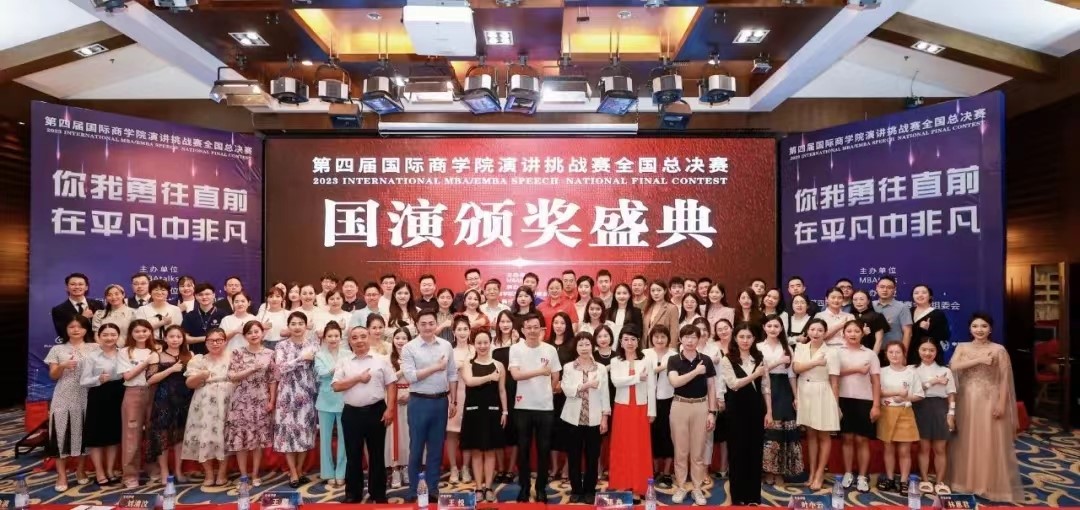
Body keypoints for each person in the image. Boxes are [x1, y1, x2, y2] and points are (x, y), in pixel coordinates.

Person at [947, 314, 1023, 503]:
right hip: (966, 400)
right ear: (969, 329)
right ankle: (967, 482)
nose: (979, 330)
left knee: (989, 441)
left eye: (984, 326)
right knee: (967, 440)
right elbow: (953, 366)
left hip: (990, 399)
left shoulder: (999, 350)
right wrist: (979, 360)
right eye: (975, 326)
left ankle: (989, 485)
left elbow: (1004, 379)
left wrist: (1001, 403)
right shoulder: (962, 347)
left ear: (990, 329)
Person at [332, 325, 398, 503]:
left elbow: (391, 384)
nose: (359, 340)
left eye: (363, 336)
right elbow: (336, 386)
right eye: (354, 337)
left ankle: (378, 493)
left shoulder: (381, 360)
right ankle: (353, 494)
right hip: (351, 413)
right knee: (353, 455)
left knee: (377, 454)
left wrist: (390, 409)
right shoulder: (344, 361)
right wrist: (358, 379)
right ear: (349, 341)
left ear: (369, 337)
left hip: (376, 411)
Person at [401, 309, 459, 501]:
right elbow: (411, 377)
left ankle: (433, 489)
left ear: (436, 324)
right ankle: (413, 490)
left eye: (431, 323)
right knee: (416, 448)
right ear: (417, 325)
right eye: (423, 324)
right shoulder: (409, 348)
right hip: (419, 402)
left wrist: (453, 400)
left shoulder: (446, 345)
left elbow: (452, 373)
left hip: (441, 402)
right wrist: (436, 367)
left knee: (436, 448)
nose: (427, 327)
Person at [509, 312, 562, 502]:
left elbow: (556, 374)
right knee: (523, 449)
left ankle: (541, 488)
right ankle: (524, 487)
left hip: (545, 407)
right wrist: (540, 372)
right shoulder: (516, 349)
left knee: (544, 449)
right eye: (528, 327)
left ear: (541, 329)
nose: (532, 331)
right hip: (523, 406)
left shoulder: (550, 349)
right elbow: (515, 375)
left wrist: (549, 389)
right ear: (523, 330)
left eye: (535, 327)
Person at [719, 322, 771, 505]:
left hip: (756, 410)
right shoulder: (727, 359)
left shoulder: (760, 358)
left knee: (755, 452)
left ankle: (753, 496)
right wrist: (755, 374)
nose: (745, 340)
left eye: (749, 337)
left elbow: (766, 387)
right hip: (736, 411)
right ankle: (738, 497)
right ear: (735, 338)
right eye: (741, 336)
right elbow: (733, 384)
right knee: (737, 453)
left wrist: (769, 412)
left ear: (754, 339)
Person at [666, 324, 718, 506]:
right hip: (679, 405)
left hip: (701, 406)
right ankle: (681, 486)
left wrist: (712, 412)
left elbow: (712, 387)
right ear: (680, 339)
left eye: (693, 337)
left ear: (699, 339)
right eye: (686, 337)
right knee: (680, 451)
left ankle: (697, 487)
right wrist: (696, 371)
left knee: (698, 451)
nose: (690, 340)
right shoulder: (674, 359)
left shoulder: (706, 360)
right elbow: (675, 382)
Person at [47, 315, 96, 491]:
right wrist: (62, 366)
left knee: (83, 432)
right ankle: (61, 475)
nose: (76, 330)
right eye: (71, 327)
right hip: (63, 395)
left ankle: (80, 470)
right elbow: (53, 375)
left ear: (86, 329)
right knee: (61, 433)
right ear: (66, 329)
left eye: (80, 327)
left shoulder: (94, 348)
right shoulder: (57, 349)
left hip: (87, 394)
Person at [560, 332, 610, 504]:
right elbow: (567, 390)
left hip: (594, 419)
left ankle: (589, 489)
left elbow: (605, 394)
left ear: (592, 346)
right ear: (576, 347)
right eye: (580, 345)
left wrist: (605, 417)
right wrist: (587, 385)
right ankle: (576, 489)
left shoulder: (601, 368)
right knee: (573, 456)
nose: (584, 348)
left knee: (592, 456)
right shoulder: (569, 367)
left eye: (587, 344)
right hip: (572, 419)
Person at [181, 327, 234, 487]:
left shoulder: (233, 357)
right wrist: (201, 375)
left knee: (225, 435)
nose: (215, 343)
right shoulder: (198, 360)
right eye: (211, 341)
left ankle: (222, 474)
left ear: (225, 341)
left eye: (219, 340)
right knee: (204, 436)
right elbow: (189, 384)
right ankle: (209, 474)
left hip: (227, 401)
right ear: (206, 343)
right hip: (204, 404)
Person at [792, 318, 841, 491]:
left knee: (824, 435)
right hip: (804, 391)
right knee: (811, 435)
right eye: (812, 329)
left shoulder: (832, 352)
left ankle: (820, 474)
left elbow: (835, 381)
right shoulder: (800, 347)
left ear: (825, 333)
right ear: (807, 331)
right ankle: (812, 472)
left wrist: (836, 404)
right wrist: (815, 362)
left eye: (820, 330)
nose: (816, 333)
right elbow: (797, 368)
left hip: (823, 392)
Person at [273, 311, 320, 487]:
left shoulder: (313, 344)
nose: (297, 327)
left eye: (301, 323)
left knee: (305, 432)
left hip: (307, 393)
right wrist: (301, 358)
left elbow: (316, 366)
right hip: (287, 394)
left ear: (306, 326)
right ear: (288, 326)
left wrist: (297, 361)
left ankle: (300, 470)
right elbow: (281, 368)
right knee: (288, 433)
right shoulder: (281, 345)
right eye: (293, 323)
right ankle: (292, 472)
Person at [608, 325, 655, 499]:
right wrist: (637, 378)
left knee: (640, 447)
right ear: (620, 342)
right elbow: (616, 382)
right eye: (626, 339)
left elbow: (651, 386)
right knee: (622, 446)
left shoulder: (646, 361)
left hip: (641, 408)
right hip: (622, 408)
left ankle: (638, 487)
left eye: (633, 339)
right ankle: (622, 483)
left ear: (638, 341)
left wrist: (652, 411)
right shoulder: (616, 361)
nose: (629, 343)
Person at [226, 321, 275, 486]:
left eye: (256, 331)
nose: (254, 335)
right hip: (240, 401)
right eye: (249, 333)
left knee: (258, 441)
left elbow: (272, 379)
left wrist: (272, 400)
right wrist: (251, 369)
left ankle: (255, 474)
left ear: (262, 333)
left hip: (261, 400)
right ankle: (243, 476)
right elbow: (232, 376)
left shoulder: (270, 353)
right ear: (244, 336)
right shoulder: (238, 352)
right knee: (241, 439)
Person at [461, 330, 508, 502]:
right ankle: (478, 487)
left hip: (493, 411)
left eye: (485, 342)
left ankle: (488, 487)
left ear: (490, 343)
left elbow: (502, 390)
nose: (482, 346)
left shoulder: (499, 365)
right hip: (473, 412)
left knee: (490, 450)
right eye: (479, 343)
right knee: (476, 451)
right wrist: (490, 377)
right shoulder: (468, 363)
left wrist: (505, 411)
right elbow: (470, 381)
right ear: (474, 344)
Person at [837, 320, 882, 493]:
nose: (853, 334)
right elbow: (833, 375)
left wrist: (876, 405)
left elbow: (876, 381)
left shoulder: (870, 354)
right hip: (843, 399)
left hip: (865, 400)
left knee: (862, 440)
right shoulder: (837, 352)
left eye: (856, 331)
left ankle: (863, 476)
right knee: (847, 438)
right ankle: (848, 473)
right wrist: (856, 369)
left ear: (862, 334)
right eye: (849, 331)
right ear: (843, 334)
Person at [145, 325, 194, 483]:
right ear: (165, 338)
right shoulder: (157, 356)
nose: (175, 340)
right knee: (163, 436)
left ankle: (179, 471)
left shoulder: (190, 355)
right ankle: (165, 472)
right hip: (164, 400)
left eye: (179, 337)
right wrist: (171, 369)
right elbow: (150, 379)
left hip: (184, 399)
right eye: (172, 336)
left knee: (180, 436)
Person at [758, 314, 803, 486]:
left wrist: (796, 396)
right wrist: (778, 361)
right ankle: (768, 471)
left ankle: (780, 471)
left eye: (776, 326)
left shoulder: (787, 348)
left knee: (783, 430)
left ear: (781, 328)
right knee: (768, 430)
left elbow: (792, 375)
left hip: (783, 389)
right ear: (764, 327)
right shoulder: (758, 347)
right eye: (769, 326)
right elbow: (759, 371)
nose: (773, 329)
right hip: (764, 388)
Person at [877, 341, 924, 493]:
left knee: (905, 451)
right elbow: (876, 391)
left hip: (905, 412)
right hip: (886, 412)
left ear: (904, 353)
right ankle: (890, 479)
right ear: (886, 354)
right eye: (891, 352)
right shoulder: (881, 371)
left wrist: (905, 398)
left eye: (898, 352)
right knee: (888, 449)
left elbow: (919, 395)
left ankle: (904, 481)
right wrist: (896, 393)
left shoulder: (911, 372)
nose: (894, 355)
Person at [81, 323, 125, 485]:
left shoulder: (124, 353)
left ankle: (110, 470)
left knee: (113, 435)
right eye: (105, 335)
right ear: (98, 337)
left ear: (118, 336)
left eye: (113, 334)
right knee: (97, 436)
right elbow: (83, 381)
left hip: (119, 393)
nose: (109, 338)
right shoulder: (92, 356)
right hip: (99, 395)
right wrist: (98, 379)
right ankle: (99, 472)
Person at [912, 337, 956, 495]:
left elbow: (951, 394)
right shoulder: (912, 370)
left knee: (940, 448)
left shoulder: (945, 370)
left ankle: (939, 482)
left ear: (937, 352)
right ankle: (924, 480)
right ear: (918, 350)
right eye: (924, 349)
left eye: (931, 350)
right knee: (923, 447)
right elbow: (915, 390)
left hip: (940, 408)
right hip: (919, 407)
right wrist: (934, 381)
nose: (927, 353)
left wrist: (951, 413)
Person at [117, 319, 157, 488]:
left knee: (153, 432)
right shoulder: (125, 352)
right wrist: (146, 363)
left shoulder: (155, 350)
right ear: (131, 334)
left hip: (153, 392)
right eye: (137, 331)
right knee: (131, 434)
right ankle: (130, 475)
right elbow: (127, 376)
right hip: (133, 392)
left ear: (150, 332)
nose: (141, 334)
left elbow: (155, 375)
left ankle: (151, 468)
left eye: (145, 331)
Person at [315, 322, 348, 488]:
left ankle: (341, 472)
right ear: (324, 338)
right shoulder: (319, 355)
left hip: (345, 399)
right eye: (330, 336)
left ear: (341, 337)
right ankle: (327, 472)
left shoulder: (348, 353)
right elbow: (321, 373)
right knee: (325, 439)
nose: (333, 339)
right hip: (325, 400)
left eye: (336, 335)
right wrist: (338, 369)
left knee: (344, 438)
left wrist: (337, 371)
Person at [643, 325, 676, 489]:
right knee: (652, 435)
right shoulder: (645, 353)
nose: (660, 340)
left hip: (669, 398)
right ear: (651, 338)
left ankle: (667, 472)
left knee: (669, 435)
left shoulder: (674, 355)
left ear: (668, 338)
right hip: (649, 399)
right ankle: (655, 470)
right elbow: (643, 374)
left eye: (663, 336)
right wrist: (662, 367)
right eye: (656, 337)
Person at [547, 312, 577, 482]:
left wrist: (562, 385)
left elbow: (575, 369)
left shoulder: (573, 345)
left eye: (562, 323)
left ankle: (566, 468)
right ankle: (554, 467)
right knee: (551, 431)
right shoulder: (547, 344)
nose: (558, 326)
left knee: (567, 431)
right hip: (548, 395)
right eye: (556, 322)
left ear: (568, 325)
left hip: (567, 395)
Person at [491, 311, 519, 483]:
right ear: (498, 324)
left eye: (508, 321)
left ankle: (510, 469)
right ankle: (500, 468)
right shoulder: (492, 342)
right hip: (496, 389)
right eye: (502, 321)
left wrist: (515, 343)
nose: (505, 324)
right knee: (497, 430)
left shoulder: (520, 342)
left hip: (516, 389)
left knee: (515, 429)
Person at [447, 316, 476, 483]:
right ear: (454, 332)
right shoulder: (448, 350)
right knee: (452, 432)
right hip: (454, 396)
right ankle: (453, 468)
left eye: (465, 329)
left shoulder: (475, 349)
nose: (462, 332)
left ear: (470, 331)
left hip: (473, 395)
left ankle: (465, 467)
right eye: (459, 329)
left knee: (469, 432)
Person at [387, 328, 413, 488]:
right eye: (397, 338)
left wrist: (410, 394)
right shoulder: (387, 358)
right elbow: (387, 379)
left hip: (411, 397)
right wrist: (401, 370)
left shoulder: (414, 357)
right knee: (393, 435)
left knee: (408, 434)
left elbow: (418, 378)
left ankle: (406, 467)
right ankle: (395, 469)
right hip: (392, 397)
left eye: (404, 338)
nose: (401, 341)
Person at [708, 319, 733, 479]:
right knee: (723, 431)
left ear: (731, 328)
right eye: (719, 329)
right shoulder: (713, 347)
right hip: (719, 391)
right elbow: (714, 374)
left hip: (737, 390)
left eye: (726, 328)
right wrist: (719, 396)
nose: (723, 331)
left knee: (735, 430)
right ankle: (723, 466)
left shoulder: (739, 344)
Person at [53, 273, 104, 341]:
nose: (77, 287)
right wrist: (83, 318)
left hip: (98, 345)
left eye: (80, 284)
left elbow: (105, 328)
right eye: (73, 284)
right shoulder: (59, 310)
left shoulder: (98, 304)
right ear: (67, 288)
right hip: (74, 345)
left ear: (86, 287)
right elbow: (62, 333)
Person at [908, 285, 950, 365]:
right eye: (916, 293)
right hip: (910, 353)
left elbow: (944, 336)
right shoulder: (908, 312)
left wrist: (926, 330)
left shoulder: (938, 314)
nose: (920, 295)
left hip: (928, 354)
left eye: (924, 292)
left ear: (930, 296)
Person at [182, 283, 227, 355]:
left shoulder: (223, 314)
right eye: (200, 295)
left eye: (207, 294)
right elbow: (185, 339)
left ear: (213, 295)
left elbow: (227, 336)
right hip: (196, 356)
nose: (204, 297)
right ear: (195, 296)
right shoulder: (189, 316)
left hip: (220, 355)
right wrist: (206, 338)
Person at [873, 276, 912, 354]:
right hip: (873, 351)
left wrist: (903, 354)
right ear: (877, 288)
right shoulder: (870, 305)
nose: (885, 290)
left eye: (889, 287)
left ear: (894, 289)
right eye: (882, 287)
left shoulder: (902, 307)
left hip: (894, 353)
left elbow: (908, 333)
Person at [850, 290, 889, 357]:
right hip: (851, 353)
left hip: (870, 352)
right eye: (855, 300)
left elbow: (879, 340)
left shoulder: (877, 316)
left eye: (862, 299)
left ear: (868, 301)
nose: (858, 302)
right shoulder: (849, 316)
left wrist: (873, 357)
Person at [643, 280, 679, 348]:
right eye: (653, 290)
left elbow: (674, 332)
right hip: (646, 347)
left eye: (659, 290)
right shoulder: (648, 307)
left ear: (665, 291)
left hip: (663, 347)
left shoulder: (671, 308)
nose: (656, 293)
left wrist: (671, 350)